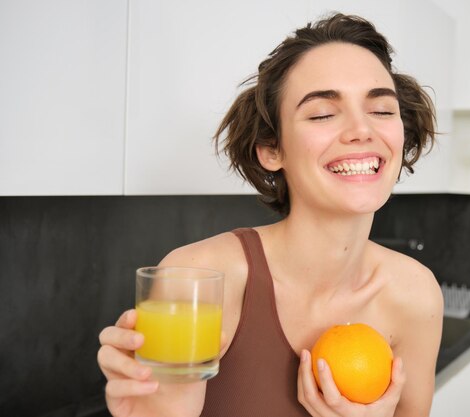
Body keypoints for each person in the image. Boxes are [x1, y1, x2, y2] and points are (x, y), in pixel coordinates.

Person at [97, 12, 443, 417]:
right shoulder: (200, 278)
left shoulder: (416, 296)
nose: (361, 130)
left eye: (382, 110)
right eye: (322, 114)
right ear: (271, 149)